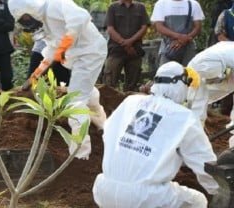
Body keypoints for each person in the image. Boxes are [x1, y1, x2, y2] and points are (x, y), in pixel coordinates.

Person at [92, 61, 219, 208]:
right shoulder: (185, 117)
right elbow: (204, 164)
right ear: (179, 84)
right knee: (197, 201)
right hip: (146, 197)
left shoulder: (130, 102)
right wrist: (219, 188)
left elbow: (108, 133)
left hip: (104, 189)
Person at [9, 0, 107, 160]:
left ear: (30, 8)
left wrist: (64, 47)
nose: (26, 23)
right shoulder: (44, 23)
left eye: (25, 19)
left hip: (90, 53)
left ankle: (80, 155)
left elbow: (80, 18)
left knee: (75, 103)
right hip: (76, 57)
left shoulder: (56, 5)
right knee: (82, 90)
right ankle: (103, 124)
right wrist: (32, 78)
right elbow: (50, 54)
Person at [103, 0, 150, 92]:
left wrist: (130, 42)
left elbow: (144, 28)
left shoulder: (140, 7)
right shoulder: (113, 7)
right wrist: (125, 43)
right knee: (109, 84)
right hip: (116, 50)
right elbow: (110, 29)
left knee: (132, 86)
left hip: (135, 50)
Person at [187, 41, 234, 130]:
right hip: (209, 66)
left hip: (200, 64)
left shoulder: (229, 45)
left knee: (197, 98)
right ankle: (194, 132)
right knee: (198, 101)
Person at [151, 0, 205, 66]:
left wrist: (183, 40)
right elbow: (159, 27)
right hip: (168, 48)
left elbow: (197, 27)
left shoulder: (193, 4)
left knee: (189, 74)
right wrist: (181, 37)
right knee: (167, 74)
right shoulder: (161, 3)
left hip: (188, 49)